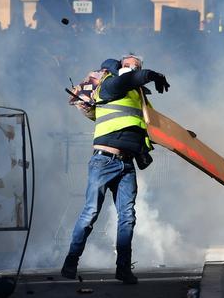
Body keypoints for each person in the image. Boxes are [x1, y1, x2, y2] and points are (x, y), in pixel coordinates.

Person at [61, 54, 170, 284]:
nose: (136, 69)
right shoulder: (111, 85)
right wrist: (153, 75)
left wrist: (183, 140)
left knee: (127, 217)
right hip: (104, 161)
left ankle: (123, 269)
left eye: (139, 66)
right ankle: (71, 262)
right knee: (91, 212)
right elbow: (131, 79)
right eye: (132, 66)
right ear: (122, 68)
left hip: (127, 164)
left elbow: (153, 127)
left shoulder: (138, 98)